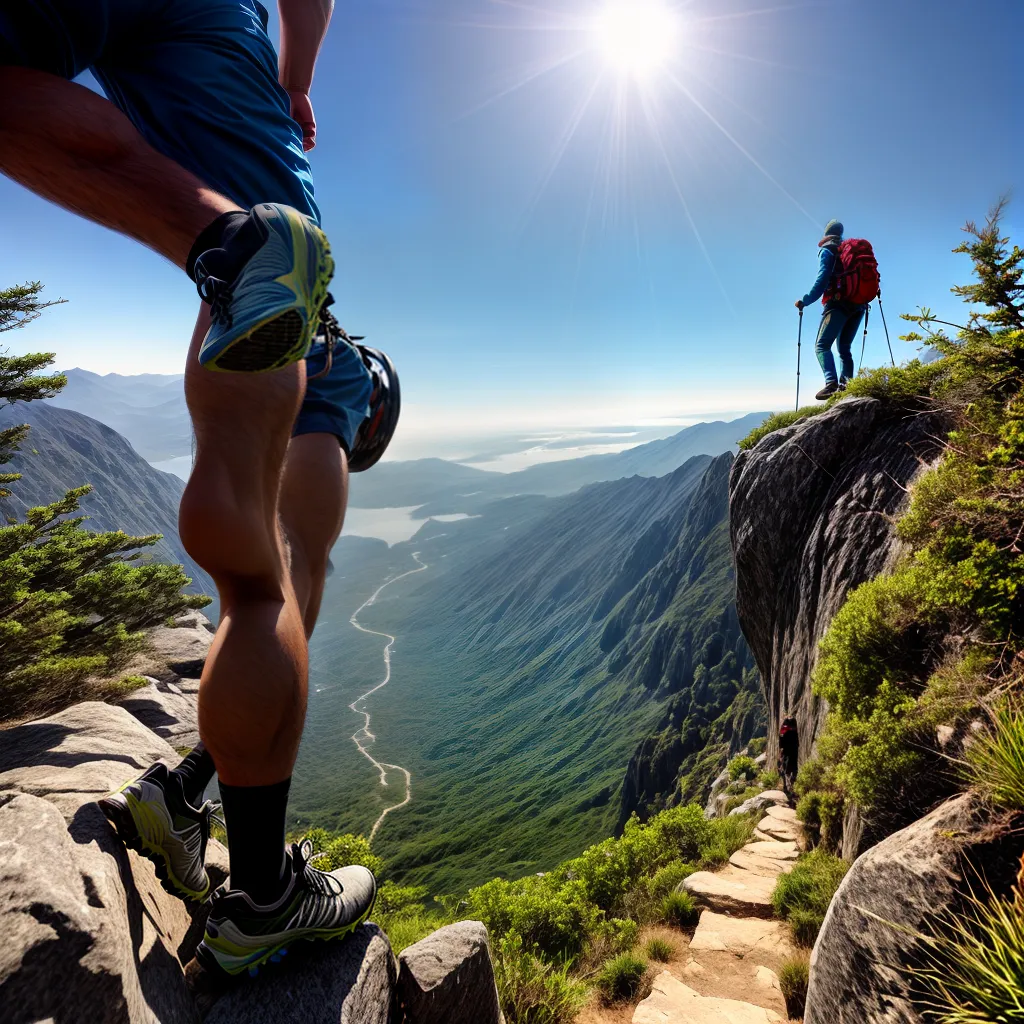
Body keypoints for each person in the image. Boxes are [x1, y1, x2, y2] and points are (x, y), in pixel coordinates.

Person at [0, 0, 399, 977]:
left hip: (195, 154)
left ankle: (183, 794)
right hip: (280, 239)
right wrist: (297, 73)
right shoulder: (340, 382)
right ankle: (260, 895)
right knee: (278, 577)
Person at [795, 219, 868, 401]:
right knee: (845, 348)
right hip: (860, 305)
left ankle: (831, 383)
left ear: (826, 234)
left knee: (821, 346)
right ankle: (847, 386)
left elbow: (822, 279)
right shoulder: (849, 253)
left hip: (838, 304)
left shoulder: (828, 250)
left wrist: (805, 301)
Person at [778, 716, 799, 796]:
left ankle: (787, 787)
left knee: (786, 769)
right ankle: (791, 787)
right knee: (793, 769)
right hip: (793, 751)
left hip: (787, 752)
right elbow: (797, 741)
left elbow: (781, 741)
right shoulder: (794, 729)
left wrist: (781, 751)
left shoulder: (784, 729)